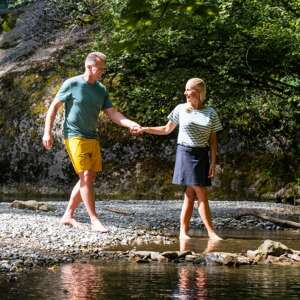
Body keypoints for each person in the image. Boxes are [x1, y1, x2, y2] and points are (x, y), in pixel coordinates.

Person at [42, 51, 140, 232]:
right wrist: (47, 132)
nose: (103, 71)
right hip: (73, 135)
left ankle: (67, 215)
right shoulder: (72, 84)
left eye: (104, 68)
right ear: (89, 66)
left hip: (91, 136)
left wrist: (130, 124)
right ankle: (94, 220)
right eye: (100, 68)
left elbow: (112, 113)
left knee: (90, 176)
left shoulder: (101, 89)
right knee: (86, 175)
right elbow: (53, 108)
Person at [133, 78, 222, 240]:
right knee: (200, 191)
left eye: (189, 89)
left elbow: (213, 140)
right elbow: (166, 129)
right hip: (185, 153)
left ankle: (183, 231)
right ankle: (211, 233)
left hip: (202, 155)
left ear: (200, 92)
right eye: (186, 89)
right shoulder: (180, 109)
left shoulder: (211, 113)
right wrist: (145, 129)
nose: (186, 93)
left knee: (190, 193)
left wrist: (213, 162)